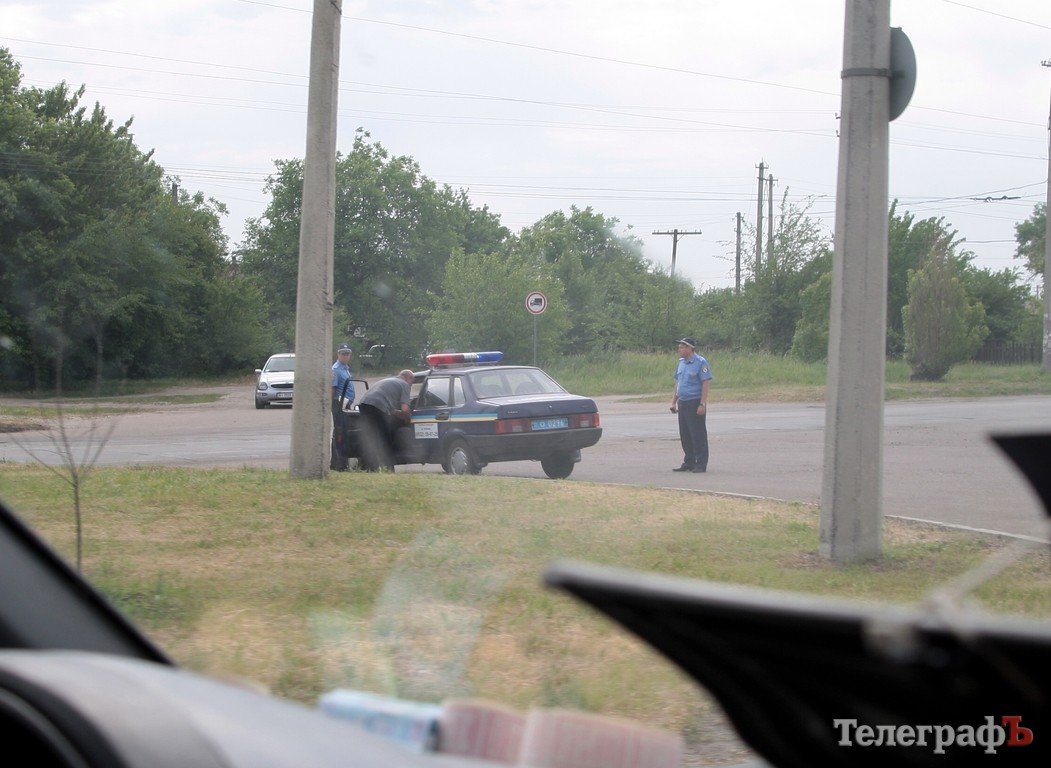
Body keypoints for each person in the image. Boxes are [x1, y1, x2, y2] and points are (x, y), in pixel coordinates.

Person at [670, 337, 713, 473]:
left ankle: (700, 463)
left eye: (682, 347)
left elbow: (705, 383)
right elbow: (679, 383)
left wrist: (702, 403)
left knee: (697, 434)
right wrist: (674, 401)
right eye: (679, 347)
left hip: (695, 401)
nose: (679, 349)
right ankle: (689, 461)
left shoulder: (700, 362)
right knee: (685, 434)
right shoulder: (681, 363)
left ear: (690, 348)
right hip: (683, 401)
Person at [357, 369, 415, 471]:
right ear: (409, 377)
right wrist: (408, 418)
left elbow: (390, 409)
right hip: (377, 407)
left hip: (364, 404)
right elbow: (405, 409)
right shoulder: (404, 384)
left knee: (370, 437)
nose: (411, 385)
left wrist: (398, 413)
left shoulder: (387, 381)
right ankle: (388, 468)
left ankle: (366, 468)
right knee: (385, 437)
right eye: (412, 382)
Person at [330, 343, 355, 470]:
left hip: (346, 404)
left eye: (347, 354)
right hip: (339, 404)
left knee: (345, 432)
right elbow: (332, 389)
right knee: (339, 432)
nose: (345, 356)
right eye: (343, 354)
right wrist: (333, 404)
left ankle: (343, 462)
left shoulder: (345, 368)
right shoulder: (335, 369)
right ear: (338, 354)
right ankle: (337, 464)